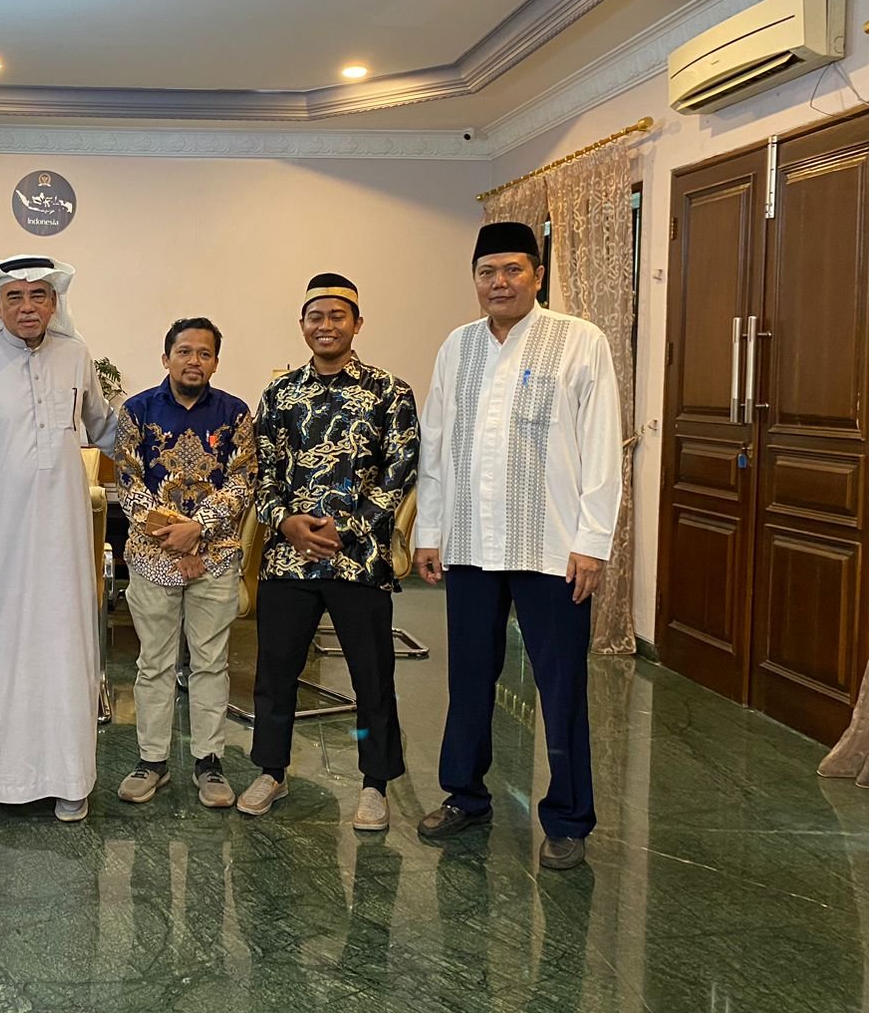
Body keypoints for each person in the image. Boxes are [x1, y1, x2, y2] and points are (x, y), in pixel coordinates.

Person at [413, 220, 622, 871]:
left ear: (538, 275)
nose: (499, 283)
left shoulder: (580, 340)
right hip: (472, 542)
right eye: (487, 272)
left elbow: (602, 447)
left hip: (553, 548)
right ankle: (465, 794)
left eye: (512, 270)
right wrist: (429, 531)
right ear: (474, 280)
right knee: (470, 677)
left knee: (561, 685)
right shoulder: (458, 346)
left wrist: (592, 542)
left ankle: (568, 818)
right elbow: (436, 444)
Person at [0, 255, 119, 823]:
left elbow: (105, 427)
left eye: (39, 295)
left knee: (64, 648)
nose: (27, 307)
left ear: (54, 303)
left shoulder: (76, 354)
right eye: (14, 297)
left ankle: (69, 778)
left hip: (64, 538)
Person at [239, 274, 419, 830]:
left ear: (357, 323)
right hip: (288, 560)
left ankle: (375, 784)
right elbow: (261, 470)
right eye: (315, 317)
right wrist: (286, 522)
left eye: (337, 316)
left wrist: (349, 527)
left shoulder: (390, 392)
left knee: (371, 677)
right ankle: (271, 770)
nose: (326, 326)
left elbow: (400, 469)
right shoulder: (279, 394)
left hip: (357, 561)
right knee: (275, 673)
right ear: (302, 325)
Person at [113, 317, 255, 809]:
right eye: (185, 351)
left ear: (215, 361)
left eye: (204, 353)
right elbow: (129, 483)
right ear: (166, 357)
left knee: (211, 662)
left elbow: (242, 482)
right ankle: (151, 761)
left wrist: (199, 532)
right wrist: (178, 540)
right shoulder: (136, 411)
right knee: (154, 663)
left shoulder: (235, 414)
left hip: (215, 557)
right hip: (153, 556)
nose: (194, 361)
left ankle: (209, 762)